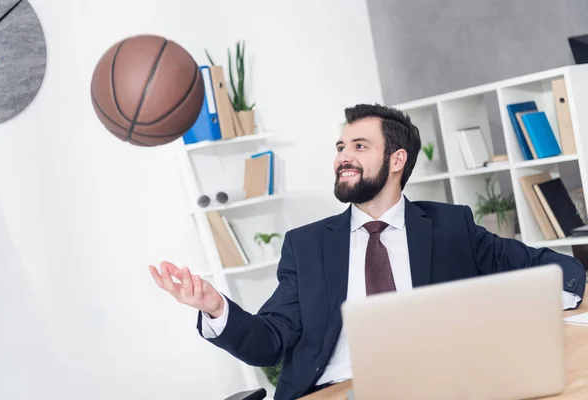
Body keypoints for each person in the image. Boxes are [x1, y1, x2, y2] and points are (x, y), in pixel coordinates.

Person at [149, 104, 585, 400]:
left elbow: (551, 270)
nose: (344, 157)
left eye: (359, 146)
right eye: (341, 147)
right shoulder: (307, 245)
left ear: (397, 160)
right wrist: (214, 307)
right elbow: (270, 341)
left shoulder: (451, 226)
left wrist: (524, 317)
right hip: (339, 390)